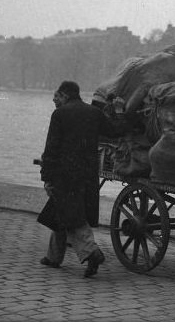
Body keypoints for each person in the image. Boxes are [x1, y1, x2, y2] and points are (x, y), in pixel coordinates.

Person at [38, 80, 107, 277]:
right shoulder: (94, 113)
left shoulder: (60, 114)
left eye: (56, 96)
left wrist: (47, 177)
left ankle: (91, 252)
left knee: (71, 214)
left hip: (65, 174)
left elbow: (51, 148)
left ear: (66, 95)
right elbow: (114, 130)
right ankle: (53, 257)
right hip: (87, 173)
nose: (53, 99)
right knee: (60, 210)